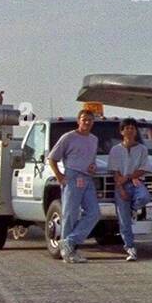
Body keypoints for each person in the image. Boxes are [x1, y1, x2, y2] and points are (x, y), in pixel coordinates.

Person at [47, 109, 100, 264]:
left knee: (94, 212)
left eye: (90, 120)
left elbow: (92, 159)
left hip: (87, 178)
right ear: (79, 121)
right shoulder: (68, 137)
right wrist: (60, 177)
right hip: (72, 176)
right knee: (70, 214)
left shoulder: (94, 139)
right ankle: (67, 252)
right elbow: (52, 158)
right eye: (84, 119)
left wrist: (93, 166)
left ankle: (69, 241)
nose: (87, 122)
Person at [107, 117, 152, 261]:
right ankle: (130, 248)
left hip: (136, 182)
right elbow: (115, 172)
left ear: (135, 131)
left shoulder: (142, 149)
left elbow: (143, 169)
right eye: (126, 128)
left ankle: (133, 208)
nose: (129, 130)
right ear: (121, 131)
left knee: (145, 197)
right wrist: (120, 189)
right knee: (124, 220)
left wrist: (127, 177)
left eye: (132, 128)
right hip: (120, 186)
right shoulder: (115, 150)